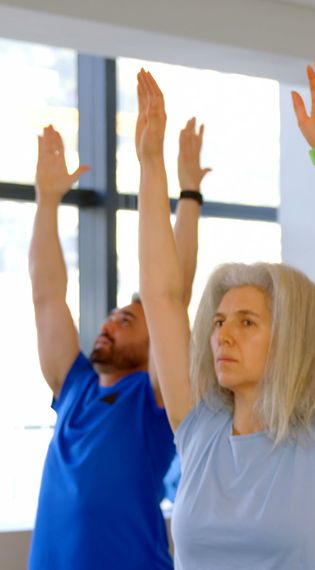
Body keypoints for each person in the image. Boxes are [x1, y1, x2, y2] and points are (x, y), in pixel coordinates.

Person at [134, 62, 315, 569]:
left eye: (247, 322)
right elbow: (161, 297)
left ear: (289, 336)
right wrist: (150, 164)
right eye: (220, 322)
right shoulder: (198, 428)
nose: (223, 335)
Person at [28, 119, 208, 569]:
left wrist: (188, 195)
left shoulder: (150, 401)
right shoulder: (73, 390)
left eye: (126, 320)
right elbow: (47, 295)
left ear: (155, 344)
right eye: (112, 317)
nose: (109, 324)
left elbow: (173, 296)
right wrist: (47, 202)